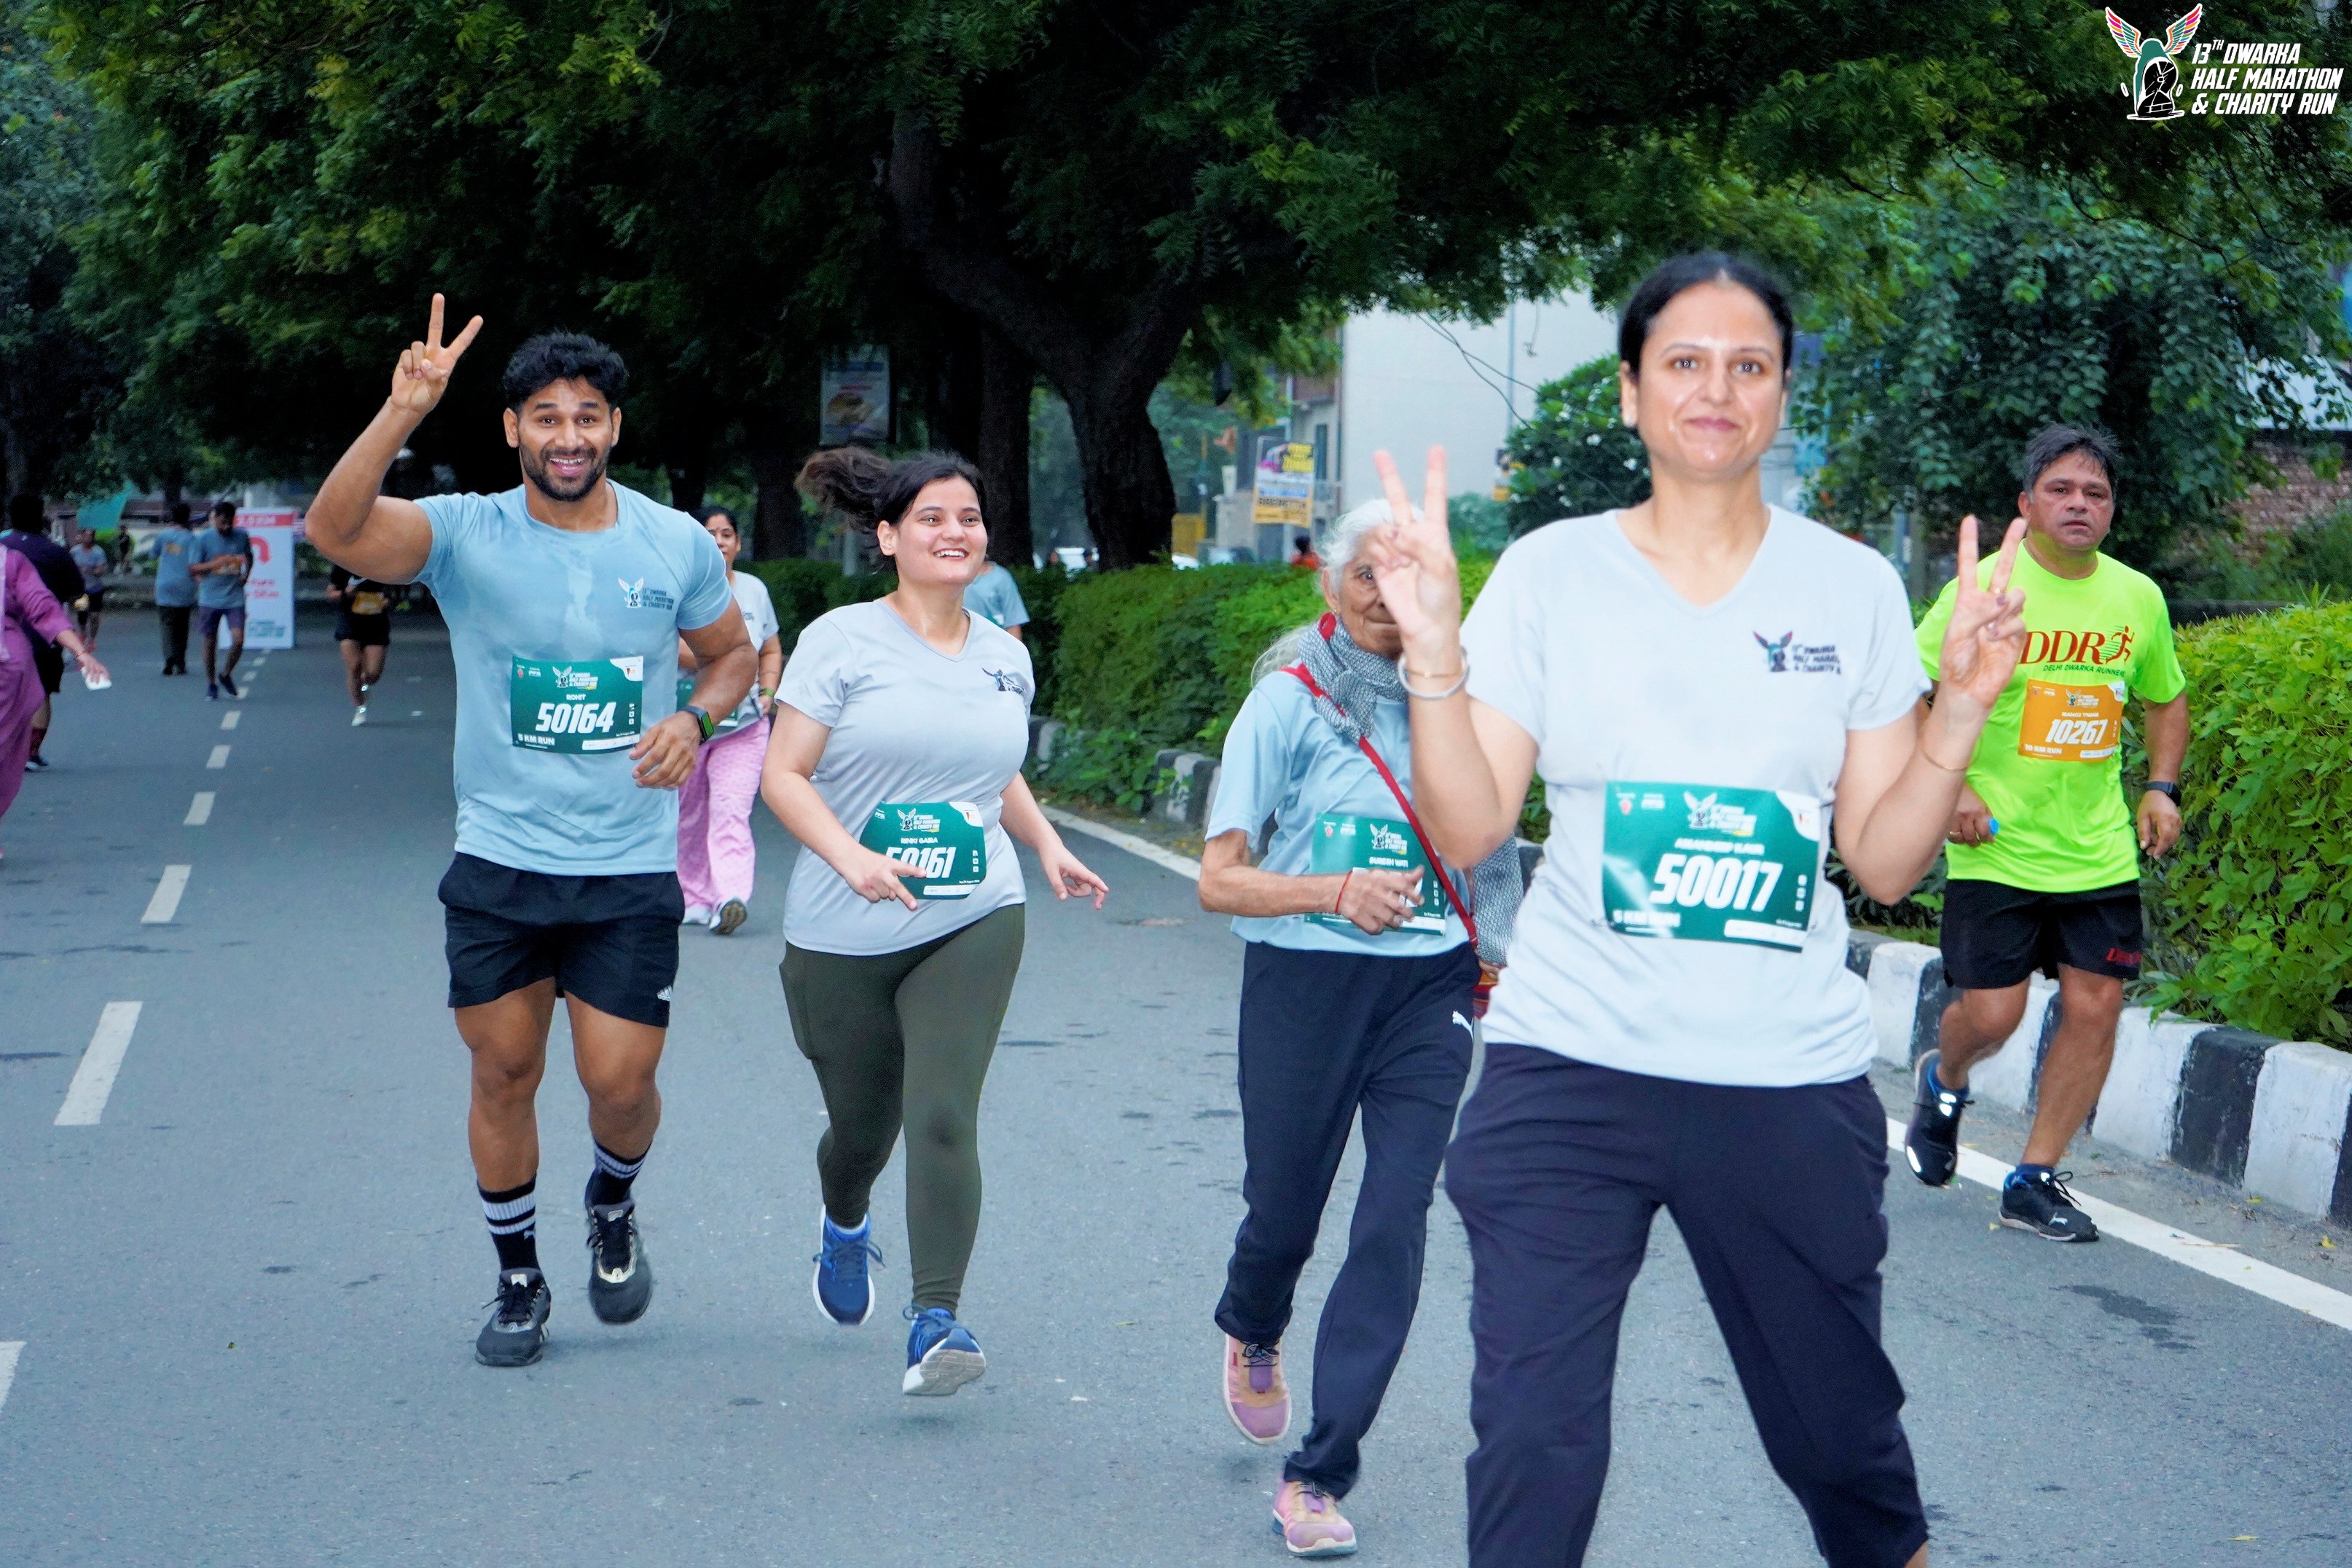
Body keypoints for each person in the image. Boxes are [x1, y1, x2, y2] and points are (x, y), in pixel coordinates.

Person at [1365, 253, 2033, 1568]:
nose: (1714, 388)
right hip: (1568, 1070)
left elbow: (1884, 859)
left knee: (1840, 1446)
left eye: (1747, 364)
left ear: (1780, 393)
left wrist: (1957, 713)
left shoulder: (1847, 587)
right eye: (1682, 361)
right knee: (1533, 1446)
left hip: (1783, 1081)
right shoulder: (1551, 573)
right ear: (1630, 392)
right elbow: (1467, 827)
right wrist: (1434, 656)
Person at [302, 297, 755, 1368]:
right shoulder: (466, 533)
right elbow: (335, 531)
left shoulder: (673, 542)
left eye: (588, 417)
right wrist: (402, 410)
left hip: (626, 865)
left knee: (620, 1086)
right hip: (502, 860)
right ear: (513, 429)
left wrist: (694, 721)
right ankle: (518, 1277)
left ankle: (612, 1200)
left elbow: (732, 656)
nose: (568, 437)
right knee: (504, 1072)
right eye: (546, 417)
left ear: (615, 428)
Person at [1199, 499, 1519, 1558]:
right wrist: (1331, 891)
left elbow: (1498, 835)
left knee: (1394, 1218)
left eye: (1407, 575)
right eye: (1366, 574)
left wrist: (1500, 950)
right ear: (1328, 583)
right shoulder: (1288, 702)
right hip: (1305, 984)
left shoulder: (1464, 701)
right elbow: (1219, 879)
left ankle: (1318, 1474)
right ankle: (1255, 1320)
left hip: (1430, 989)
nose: (1387, 596)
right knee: (1284, 1211)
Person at [764, 445, 1108, 1398]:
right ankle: (844, 1218)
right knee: (861, 1135)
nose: (955, 532)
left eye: (969, 517)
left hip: (973, 912)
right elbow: (783, 775)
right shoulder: (841, 641)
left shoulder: (1005, 656)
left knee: (944, 1115)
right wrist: (854, 860)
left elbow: (992, 769)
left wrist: (1045, 844)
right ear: (888, 536)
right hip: (843, 929)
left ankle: (935, 1319)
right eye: (931, 518)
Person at [1902, 426, 2187, 1242]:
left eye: (2096, 493)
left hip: (2096, 847)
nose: (2079, 504)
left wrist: (2160, 786)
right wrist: (1951, 784)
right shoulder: (1986, 590)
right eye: (2061, 490)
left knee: (2096, 1006)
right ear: (2027, 505)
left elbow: (2165, 696)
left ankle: (2033, 1177)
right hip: (1994, 841)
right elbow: (1909, 688)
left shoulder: (2136, 597)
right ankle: (1945, 1077)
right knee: (1993, 1016)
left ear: (2112, 511)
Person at [675, 505, 781, 933]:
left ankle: (729, 897)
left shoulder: (754, 590)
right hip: (687, 727)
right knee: (687, 815)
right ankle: (693, 897)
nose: (718, 542)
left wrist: (768, 691)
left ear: (737, 543)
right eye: (709, 533)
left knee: (730, 811)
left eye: (726, 534)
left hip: (745, 728)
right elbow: (671, 650)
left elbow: (769, 648)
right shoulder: (678, 586)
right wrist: (732, 658)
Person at [1, 543, 109, 857]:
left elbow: (45, 609)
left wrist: (81, 653)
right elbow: (45, 609)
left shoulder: (12, 562)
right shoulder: (10, 562)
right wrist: (80, 652)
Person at [1, 497, 82, 770]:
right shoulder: (55, 552)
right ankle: (31, 753)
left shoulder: (3, 546)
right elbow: (76, 592)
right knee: (41, 693)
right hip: (43, 636)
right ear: (41, 517)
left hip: (5, 636)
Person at [189, 500, 254, 699]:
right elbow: (193, 568)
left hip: (234, 596)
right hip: (210, 598)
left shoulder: (241, 536)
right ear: (214, 519)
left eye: (229, 522)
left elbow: (250, 556)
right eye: (222, 522)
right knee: (210, 641)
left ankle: (226, 674)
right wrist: (215, 564)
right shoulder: (203, 539)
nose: (226, 526)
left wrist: (246, 575)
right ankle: (211, 683)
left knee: (238, 639)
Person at [327, 562, 403, 725]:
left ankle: (363, 685)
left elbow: (395, 595)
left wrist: (388, 601)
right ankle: (360, 707)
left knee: (372, 675)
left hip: (376, 624)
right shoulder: (342, 565)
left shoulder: (383, 565)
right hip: (350, 622)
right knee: (354, 667)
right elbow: (331, 593)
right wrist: (345, 593)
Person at [154, 503, 198, 675]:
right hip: (184, 585)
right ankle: (180, 662)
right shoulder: (191, 539)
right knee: (182, 625)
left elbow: (154, 553)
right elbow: (194, 563)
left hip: (164, 584)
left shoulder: (164, 535)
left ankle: (169, 656)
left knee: (166, 624)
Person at [960, 556, 1029, 641]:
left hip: (995, 644)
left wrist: (1013, 649)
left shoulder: (1001, 578)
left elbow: (1013, 622)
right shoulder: (949, 579)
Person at [68, 528, 108, 649]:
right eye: (85, 536)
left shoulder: (98, 552)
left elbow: (102, 569)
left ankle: (92, 639)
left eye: (90, 536)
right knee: (82, 612)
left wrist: (91, 571)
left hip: (95, 588)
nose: (87, 538)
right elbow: (69, 565)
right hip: (81, 589)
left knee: (94, 615)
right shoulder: (75, 551)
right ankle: (83, 633)